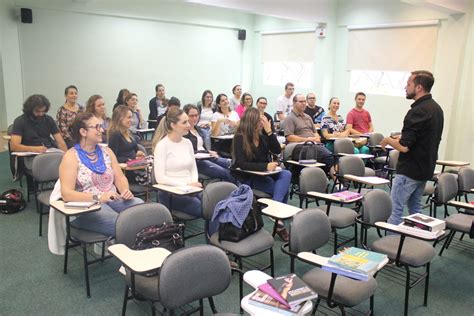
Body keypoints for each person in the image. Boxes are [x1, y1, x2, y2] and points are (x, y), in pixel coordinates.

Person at [59, 112, 143, 237]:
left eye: (101, 126)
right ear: (83, 132)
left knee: (143, 210)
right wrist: (99, 197)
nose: (102, 130)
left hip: (112, 199)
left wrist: (125, 190)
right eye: (97, 127)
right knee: (122, 224)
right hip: (88, 206)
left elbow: (120, 177)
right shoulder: (71, 157)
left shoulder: (107, 151)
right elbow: (67, 194)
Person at [380, 70, 443, 225]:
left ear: (419, 87)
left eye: (408, 84)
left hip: (409, 170)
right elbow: (425, 137)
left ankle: (390, 246)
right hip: (424, 168)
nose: (405, 87)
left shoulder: (416, 111)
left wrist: (388, 140)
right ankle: (416, 242)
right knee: (415, 210)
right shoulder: (436, 109)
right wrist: (402, 138)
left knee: (395, 210)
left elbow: (403, 148)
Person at [232, 107, 292, 240]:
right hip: (250, 176)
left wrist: (270, 132)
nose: (262, 123)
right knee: (283, 190)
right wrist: (265, 166)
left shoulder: (263, 135)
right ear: (251, 121)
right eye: (260, 120)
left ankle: (275, 211)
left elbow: (276, 150)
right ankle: (279, 222)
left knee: (286, 174)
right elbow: (242, 164)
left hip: (266, 174)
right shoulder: (240, 137)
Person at [152, 107, 202, 218]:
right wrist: (186, 185)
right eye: (184, 122)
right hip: (172, 193)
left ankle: (217, 234)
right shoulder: (162, 145)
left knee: (214, 204)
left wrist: (193, 184)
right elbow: (160, 178)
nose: (189, 125)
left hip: (191, 189)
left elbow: (193, 168)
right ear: (173, 125)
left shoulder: (188, 142)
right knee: (207, 209)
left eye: (188, 121)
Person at [10, 94, 67, 171]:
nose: (41, 114)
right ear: (30, 110)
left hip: (49, 152)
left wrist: (66, 156)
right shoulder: (20, 121)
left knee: (65, 164)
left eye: (43, 111)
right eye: (37, 111)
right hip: (30, 156)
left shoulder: (49, 120)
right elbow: (14, 146)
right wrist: (34, 149)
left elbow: (61, 142)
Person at [183, 104, 235, 183]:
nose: (195, 118)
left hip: (207, 156)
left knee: (233, 165)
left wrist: (208, 152)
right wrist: (207, 152)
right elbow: (190, 152)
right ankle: (241, 190)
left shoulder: (199, 130)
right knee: (225, 172)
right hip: (197, 161)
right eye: (191, 116)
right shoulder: (184, 133)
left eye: (196, 115)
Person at [284, 94, 335, 175]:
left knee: (331, 158)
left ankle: (336, 183)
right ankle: (337, 183)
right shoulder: (289, 118)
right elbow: (289, 137)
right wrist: (306, 140)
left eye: (304, 101)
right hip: (299, 147)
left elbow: (315, 132)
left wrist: (317, 138)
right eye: (301, 101)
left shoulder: (308, 117)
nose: (304, 103)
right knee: (328, 157)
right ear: (294, 103)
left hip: (313, 144)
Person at [108, 105, 147, 184]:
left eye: (131, 117)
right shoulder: (115, 134)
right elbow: (113, 157)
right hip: (126, 171)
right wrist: (128, 160)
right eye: (129, 117)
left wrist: (139, 154)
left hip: (135, 166)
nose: (132, 120)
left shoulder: (129, 133)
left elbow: (136, 151)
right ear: (120, 118)